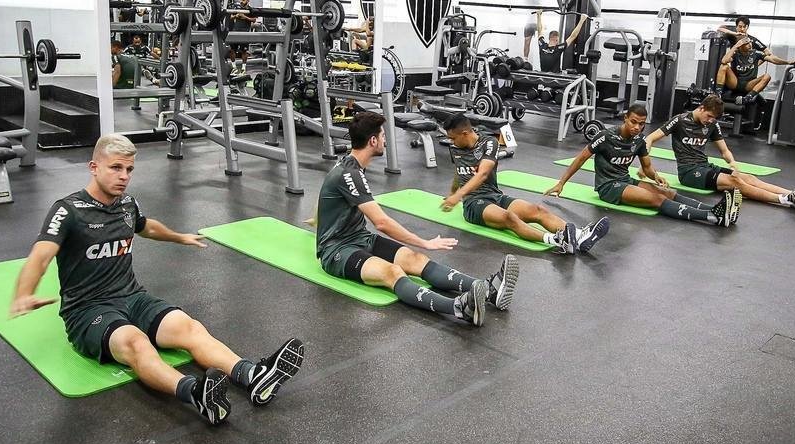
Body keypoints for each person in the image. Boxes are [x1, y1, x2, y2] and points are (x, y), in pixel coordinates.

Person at [9, 134, 304, 426]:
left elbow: (146, 227)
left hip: (133, 297)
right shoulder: (68, 210)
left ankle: (252, 376)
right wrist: (24, 292)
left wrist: (179, 237)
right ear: (94, 167)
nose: (124, 176)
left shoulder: (127, 204)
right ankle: (196, 393)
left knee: (189, 327)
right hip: (89, 311)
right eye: (115, 168)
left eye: (129, 169)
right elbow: (41, 256)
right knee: (137, 344)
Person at [316, 112, 518, 326]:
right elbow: (382, 223)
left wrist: (321, 214)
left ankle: (490, 290)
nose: (385, 139)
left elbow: (332, 192)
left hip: (361, 238)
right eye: (383, 135)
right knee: (392, 272)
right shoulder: (350, 174)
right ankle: (460, 309)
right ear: (373, 141)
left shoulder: (353, 167)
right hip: (337, 250)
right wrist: (424, 242)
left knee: (416, 259)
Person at [547, 103, 741, 227]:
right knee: (654, 199)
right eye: (633, 122)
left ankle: (714, 208)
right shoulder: (606, 136)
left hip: (626, 180)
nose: (637, 127)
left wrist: (655, 176)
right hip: (609, 187)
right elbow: (580, 158)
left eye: (641, 124)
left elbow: (647, 167)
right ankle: (710, 217)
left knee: (666, 192)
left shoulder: (639, 139)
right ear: (625, 118)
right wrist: (561, 183)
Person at [442, 113, 610, 253]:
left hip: (494, 195)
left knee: (537, 210)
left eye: (453, 138)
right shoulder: (455, 149)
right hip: (474, 203)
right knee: (509, 217)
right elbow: (458, 172)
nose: (451, 142)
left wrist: (457, 195)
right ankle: (556, 240)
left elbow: (483, 173)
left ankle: (580, 236)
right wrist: (452, 193)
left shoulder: (489, 143)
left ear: (465, 133)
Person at [645, 95, 795, 209]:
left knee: (747, 177)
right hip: (689, 173)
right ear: (701, 108)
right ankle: (786, 200)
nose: (710, 121)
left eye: (713, 118)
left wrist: (732, 163)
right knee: (734, 182)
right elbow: (650, 138)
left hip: (705, 166)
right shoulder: (680, 120)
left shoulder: (712, 125)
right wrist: (647, 165)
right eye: (709, 116)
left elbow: (724, 150)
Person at [715, 20, 795, 104]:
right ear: (740, 46)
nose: (750, 45)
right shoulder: (735, 53)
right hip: (735, 82)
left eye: (750, 43)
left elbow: (773, 59)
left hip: (749, 84)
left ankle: (748, 98)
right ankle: (718, 95)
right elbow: (724, 61)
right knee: (724, 66)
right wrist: (736, 46)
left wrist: (788, 62)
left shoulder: (756, 53)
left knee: (767, 76)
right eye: (747, 44)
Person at [228, 0, 256, 72]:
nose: (241, 1)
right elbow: (230, 17)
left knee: (244, 51)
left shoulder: (250, 10)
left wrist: (245, 17)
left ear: (248, 1)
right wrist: (235, 16)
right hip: (235, 31)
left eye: (243, 0)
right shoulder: (237, 8)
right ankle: (234, 67)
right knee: (232, 50)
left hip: (245, 32)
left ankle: (243, 68)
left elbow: (254, 20)